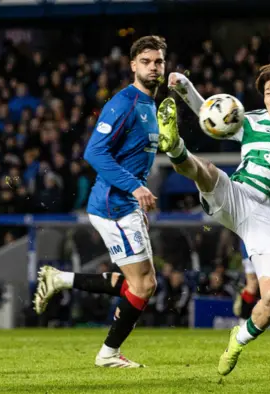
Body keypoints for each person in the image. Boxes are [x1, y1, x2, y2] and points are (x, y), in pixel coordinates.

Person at [160, 53, 270, 376]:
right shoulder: (252, 121)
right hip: (240, 195)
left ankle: (238, 339)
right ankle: (175, 146)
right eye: (267, 93)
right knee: (207, 170)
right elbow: (211, 115)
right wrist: (185, 88)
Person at [32, 36, 167, 368]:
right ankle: (108, 353)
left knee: (141, 283)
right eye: (146, 61)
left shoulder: (150, 105)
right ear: (133, 65)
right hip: (112, 205)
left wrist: (135, 198)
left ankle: (60, 279)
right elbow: (94, 152)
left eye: (159, 62)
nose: (153, 67)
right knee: (145, 284)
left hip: (124, 205)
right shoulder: (124, 103)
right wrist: (135, 189)